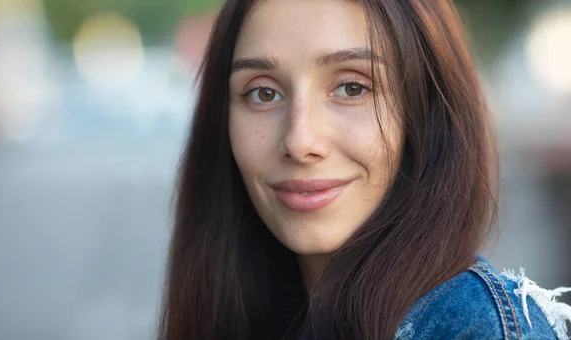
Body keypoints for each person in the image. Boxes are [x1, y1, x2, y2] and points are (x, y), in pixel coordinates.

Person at [158, 0, 571, 339]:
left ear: (425, 112)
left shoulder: (476, 329)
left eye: (352, 87)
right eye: (263, 92)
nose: (300, 141)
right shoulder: (252, 312)